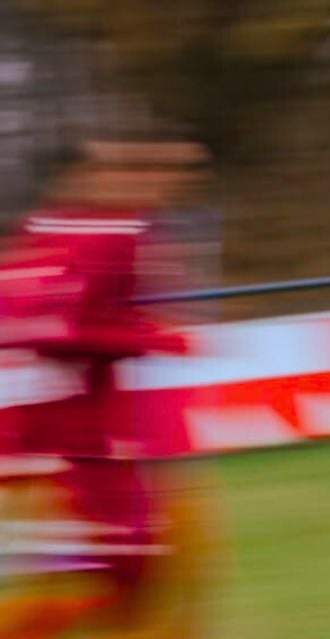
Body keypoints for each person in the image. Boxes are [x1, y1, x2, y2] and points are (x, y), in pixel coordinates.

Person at [0, 139, 218, 638]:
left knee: (164, 576)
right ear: (78, 180)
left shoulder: (113, 234)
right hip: (61, 454)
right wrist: (156, 336)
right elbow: (56, 331)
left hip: (106, 446)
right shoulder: (62, 245)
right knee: (111, 584)